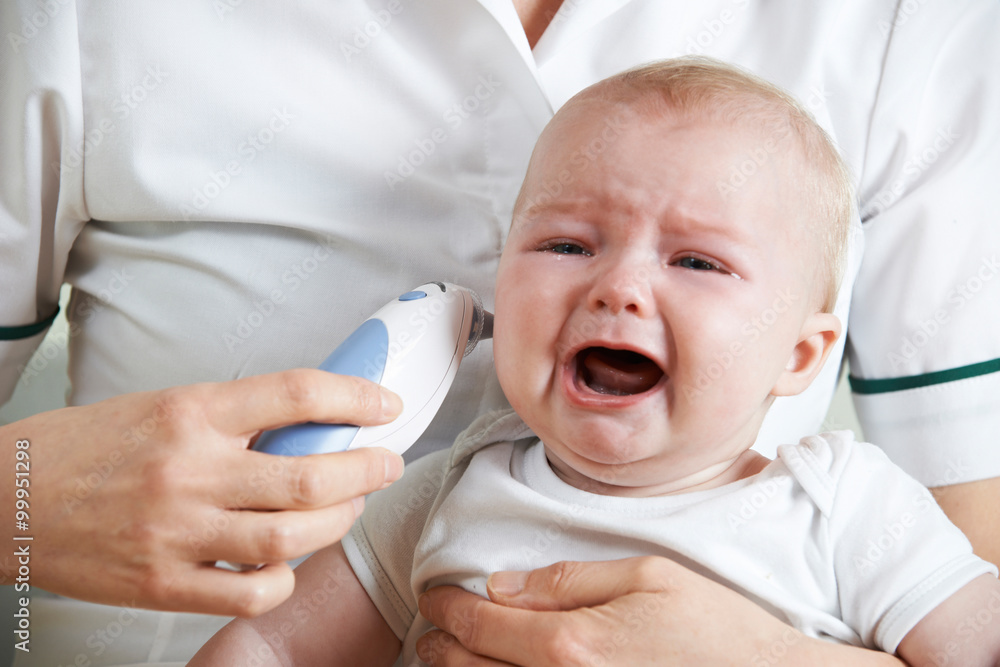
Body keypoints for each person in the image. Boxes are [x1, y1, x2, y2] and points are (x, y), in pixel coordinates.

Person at [1, 1, 998, 665]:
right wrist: (23, 503)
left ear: (801, 355)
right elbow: (270, 648)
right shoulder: (444, 493)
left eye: (695, 262)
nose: (619, 287)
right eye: (565, 243)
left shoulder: (847, 508)